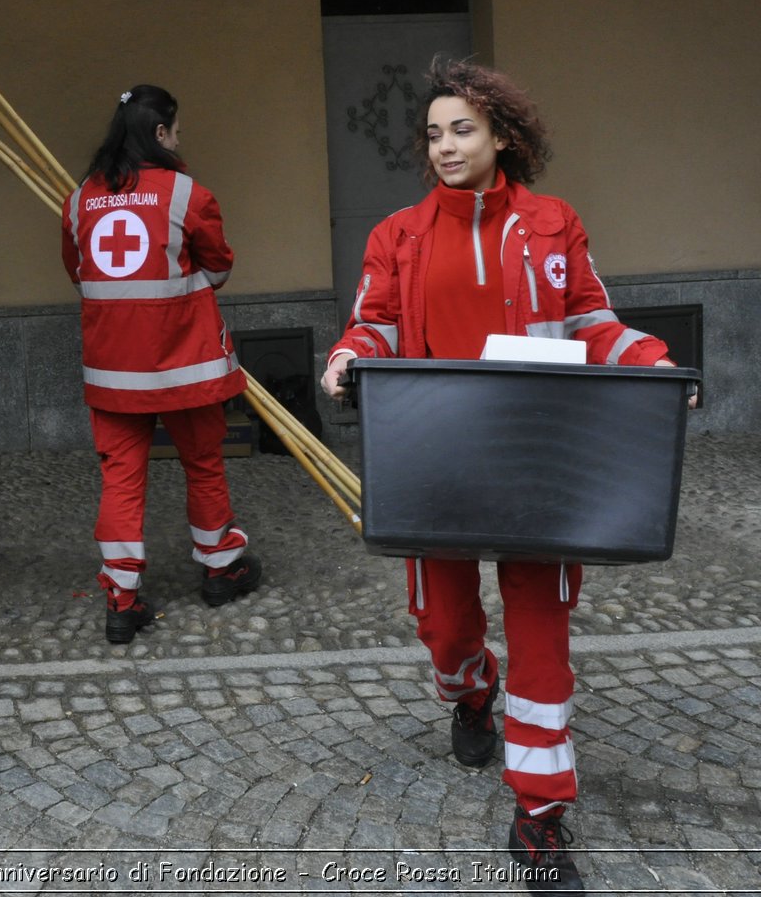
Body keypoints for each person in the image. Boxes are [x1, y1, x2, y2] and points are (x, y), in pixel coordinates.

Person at [320, 57, 679, 894]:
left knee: (543, 633)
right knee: (446, 627)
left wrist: (656, 363)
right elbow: (371, 323)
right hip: (435, 463)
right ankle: (471, 690)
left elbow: (593, 319)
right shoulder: (396, 236)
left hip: (539, 458)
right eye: (435, 133)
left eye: (463, 129)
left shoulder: (555, 224)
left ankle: (541, 812)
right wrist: (346, 356)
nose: (445, 146)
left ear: (503, 136)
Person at [61, 85, 262, 646]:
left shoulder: (79, 199)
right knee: (203, 463)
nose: (180, 139)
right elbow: (220, 269)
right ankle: (222, 568)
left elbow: (79, 275)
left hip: (112, 373)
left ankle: (122, 600)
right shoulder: (187, 196)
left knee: (120, 479)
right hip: (186, 366)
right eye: (175, 130)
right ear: (159, 134)